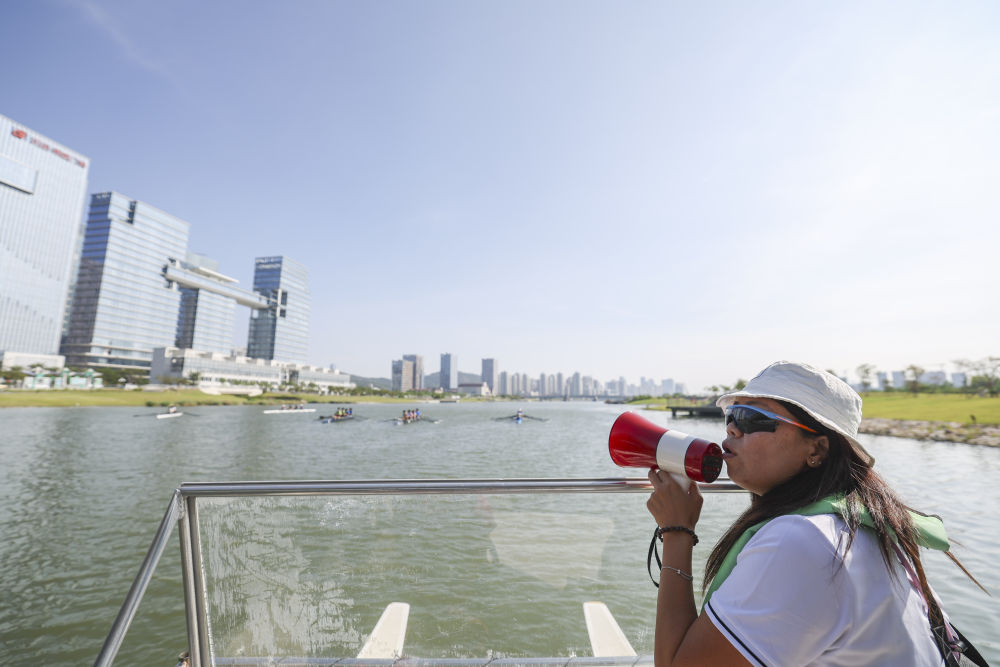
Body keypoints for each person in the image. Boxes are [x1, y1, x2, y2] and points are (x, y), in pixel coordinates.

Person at [645, 361, 984, 666]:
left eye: (752, 418)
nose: (732, 430)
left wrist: (677, 530)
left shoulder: (805, 541)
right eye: (731, 416)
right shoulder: (862, 523)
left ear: (817, 449)